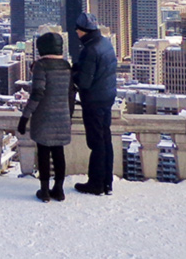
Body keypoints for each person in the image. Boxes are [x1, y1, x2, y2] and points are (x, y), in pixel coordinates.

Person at [18, 31, 72, 202]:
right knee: (58, 153)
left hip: (44, 116)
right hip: (63, 115)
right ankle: (59, 189)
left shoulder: (41, 66)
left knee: (43, 153)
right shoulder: (66, 65)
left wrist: (25, 117)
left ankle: (45, 191)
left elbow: (37, 94)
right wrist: (68, 114)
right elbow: (71, 94)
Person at [71, 12, 118, 195]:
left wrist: (73, 73)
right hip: (107, 96)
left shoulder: (90, 50)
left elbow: (84, 82)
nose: (76, 32)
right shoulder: (105, 43)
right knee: (105, 139)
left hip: (94, 101)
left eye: (77, 30)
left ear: (82, 31)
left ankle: (96, 183)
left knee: (96, 142)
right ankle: (107, 182)